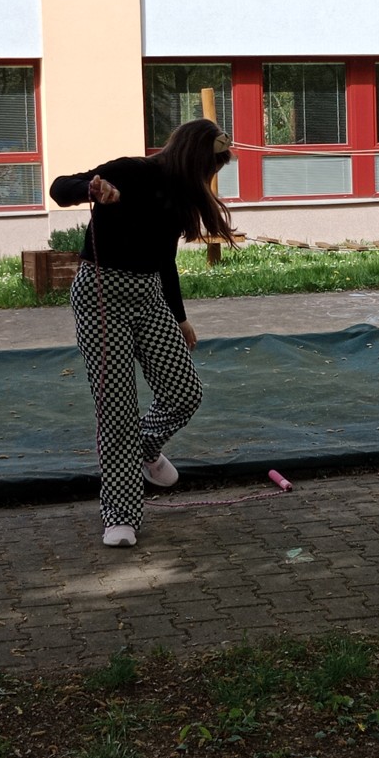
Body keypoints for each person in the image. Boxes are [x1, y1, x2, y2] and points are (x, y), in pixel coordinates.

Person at [49, 118, 234, 549]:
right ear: (191, 157)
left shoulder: (181, 194)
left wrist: (180, 317)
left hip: (149, 297)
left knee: (184, 392)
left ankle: (145, 449)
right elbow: (60, 187)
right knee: (116, 409)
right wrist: (91, 189)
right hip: (101, 295)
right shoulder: (131, 170)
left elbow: (164, 260)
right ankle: (120, 516)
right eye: (210, 168)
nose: (210, 177)